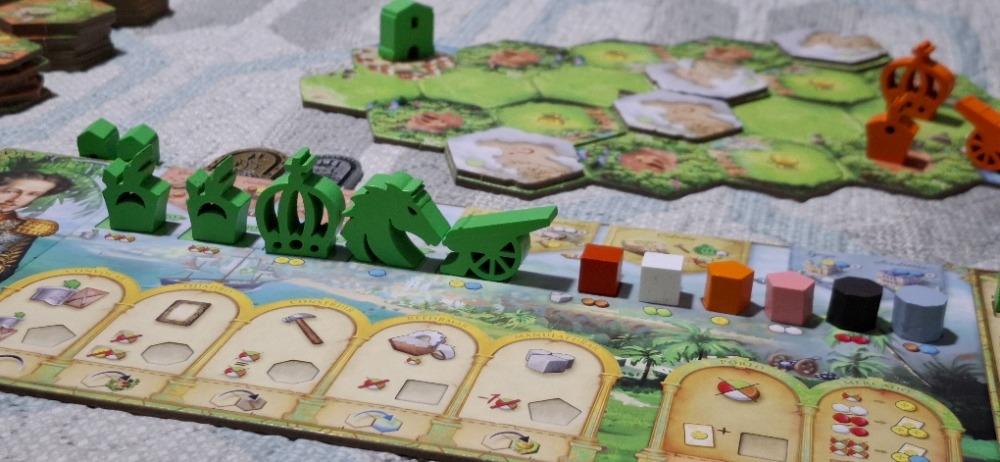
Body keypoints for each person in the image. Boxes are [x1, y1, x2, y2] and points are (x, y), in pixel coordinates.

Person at [0, 171, 72, 281]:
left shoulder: (24, 228)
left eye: (33, 194)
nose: (16, 199)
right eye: (10, 191)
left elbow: (5, 269)